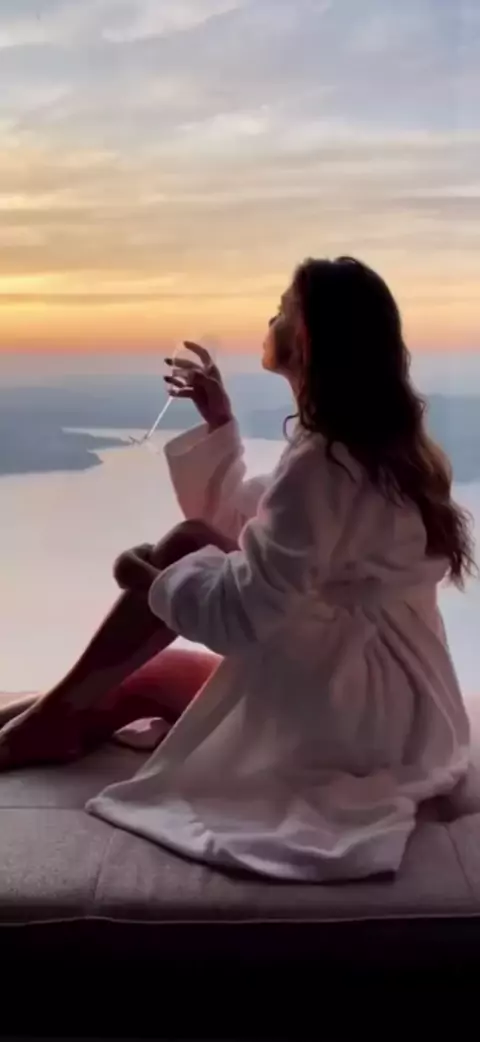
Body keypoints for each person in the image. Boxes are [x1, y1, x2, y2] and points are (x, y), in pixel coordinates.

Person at [0, 256, 474, 883]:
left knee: (167, 602)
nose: (268, 319)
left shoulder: (326, 464)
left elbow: (248, 613)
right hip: (398, 709)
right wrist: (220, 424)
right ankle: (44, 719)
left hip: (350, 719)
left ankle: (37, 727)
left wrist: (150, 580)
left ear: (305, 339)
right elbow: (258, 530)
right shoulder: (376, 449)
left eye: (281, 309)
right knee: (163, 630)